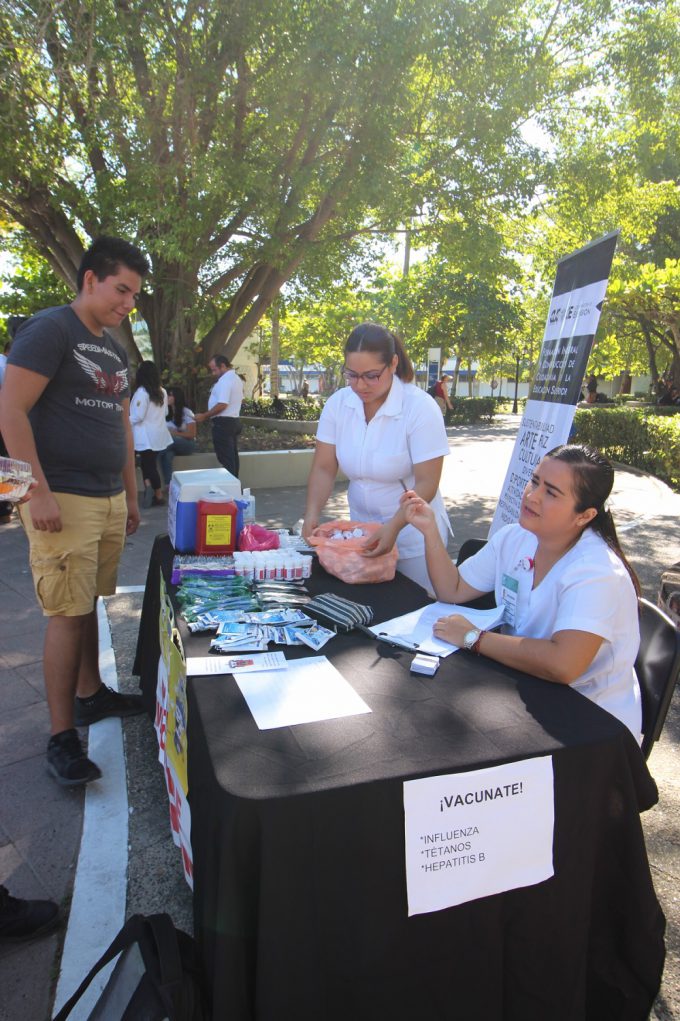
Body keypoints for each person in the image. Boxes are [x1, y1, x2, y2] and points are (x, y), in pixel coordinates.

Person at [0, 236, 149, 786]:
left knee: (87, 601)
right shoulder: (50, 330)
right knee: (66, 611)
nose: (128, 303)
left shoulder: (113, 349)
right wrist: (33, 490)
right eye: (121, 290)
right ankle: (60, 739)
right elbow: (10, 410)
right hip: (61, 495)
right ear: (90, 279)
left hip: (107, 496)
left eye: (134, 295)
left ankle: (91, 694)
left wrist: (131, 494)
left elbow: (122, 425)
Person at [403, 443, 643, 741]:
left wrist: (473, 638)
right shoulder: (516, 537)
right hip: (523, 688)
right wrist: (430, 532)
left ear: (584, 515)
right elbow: (451, 589)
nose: (532, 496)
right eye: (535, 481)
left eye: (551, 492)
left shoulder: (597, 571)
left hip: (590, 721)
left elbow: (563, 665)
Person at [302, 322, 450, 591]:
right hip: (359, 535)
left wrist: (394, 527)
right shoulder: (338, 404)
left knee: (415, 605)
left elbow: (427, 482)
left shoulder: (419, 407)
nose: (360, 385)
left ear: (393, 364)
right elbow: (324, 467)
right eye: (352, 375)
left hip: (412, 537)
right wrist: (311, 512)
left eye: (371, 376)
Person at [129, 360, 172, 507]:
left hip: (144, 436)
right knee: (148, 463)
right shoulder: (162, 391)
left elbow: (137, 416)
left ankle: (158, 494)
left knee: (148, 465)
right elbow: (165, 412)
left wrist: (122, 421)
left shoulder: (142, 392)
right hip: (158, 435)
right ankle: (150, 489)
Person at [194, 354, 244, 477]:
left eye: (214, 370)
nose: (213, 373)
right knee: (231, 457)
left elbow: (222, 404)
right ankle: (234, 483)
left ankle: (231, 484)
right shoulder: (235, 378)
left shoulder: (225, 381)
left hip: (223, 423)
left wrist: (204, 416)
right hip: (233, 421)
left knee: (226, 458)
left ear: (222, 366)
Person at [158, 385, 197, 487]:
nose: (167, 398)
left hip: (187, 444)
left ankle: (153, 457)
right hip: (171, 445)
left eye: (170, 395)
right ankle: (169, 485)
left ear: (177, 397)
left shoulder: (187, 412)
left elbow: (192, 434)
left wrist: (175, 433)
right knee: (167, 455)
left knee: (171, 440)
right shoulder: (166, 412)